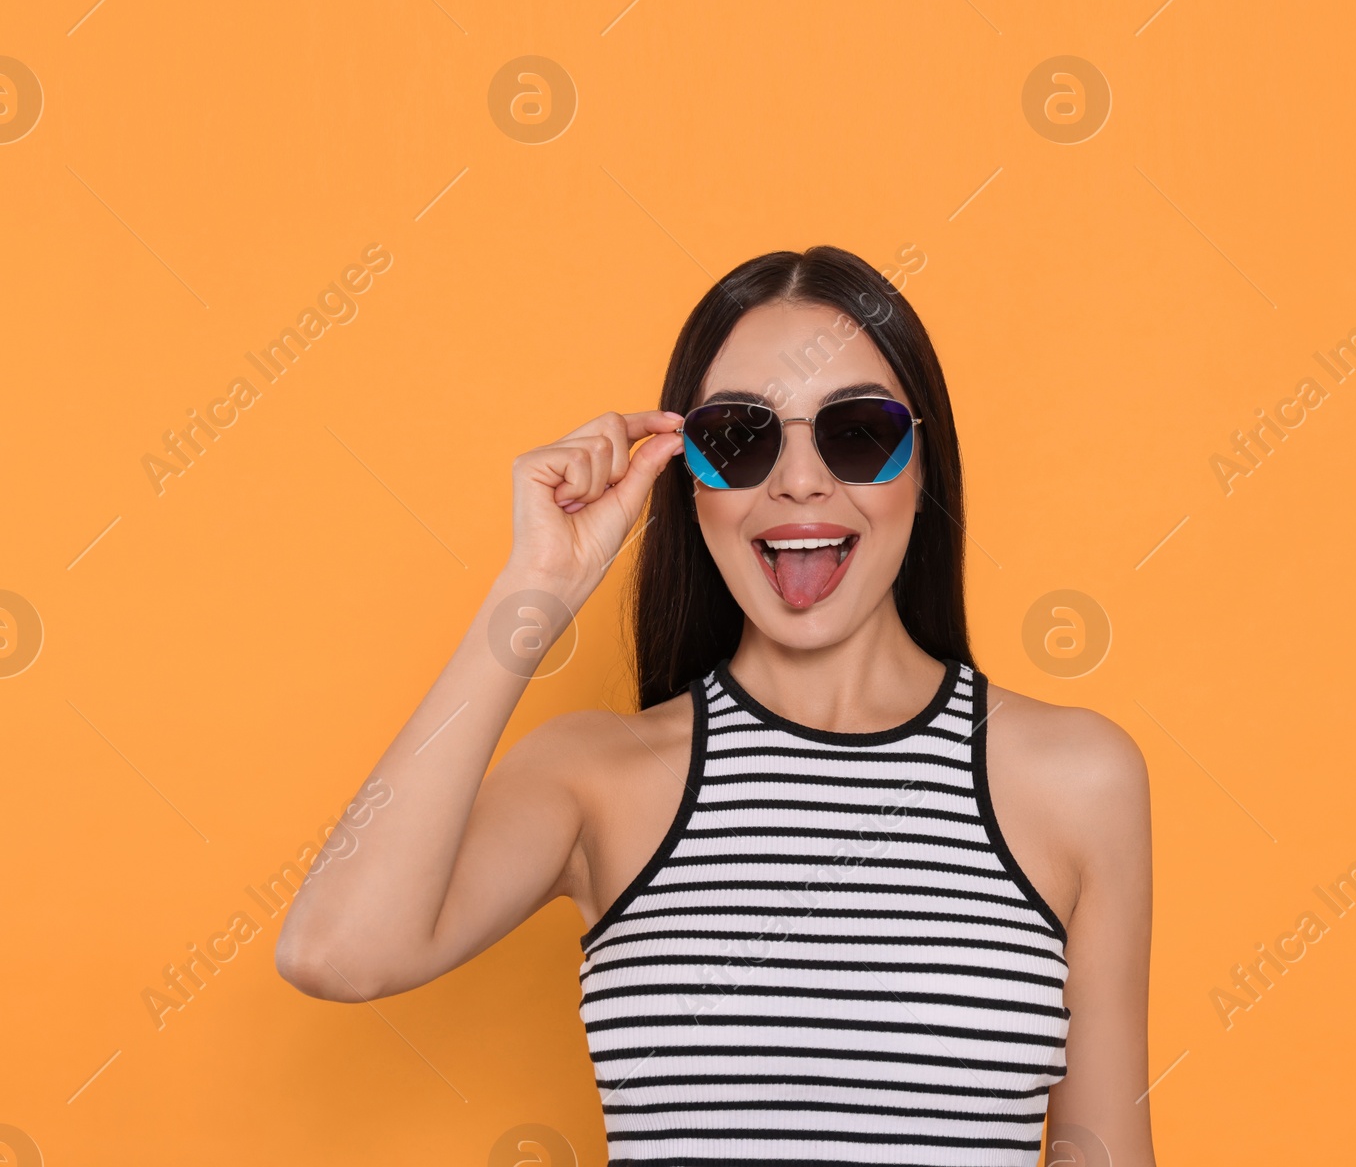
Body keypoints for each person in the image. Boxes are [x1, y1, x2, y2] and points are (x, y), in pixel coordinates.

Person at [277, 246, 1156, 1166]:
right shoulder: (597, 777)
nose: (802, 482)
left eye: (857, 431)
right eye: (742, 437)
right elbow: (337, 951)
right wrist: (534, 588)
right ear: (686, 475)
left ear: (924, 467)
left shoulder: (1076, 779)